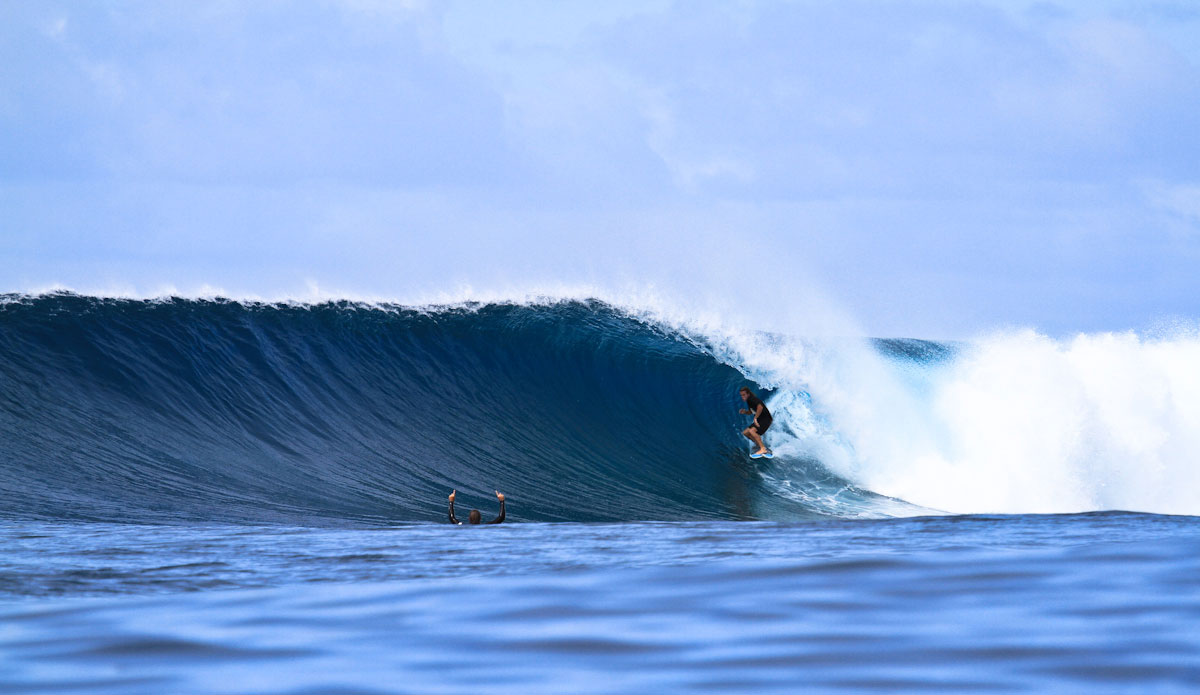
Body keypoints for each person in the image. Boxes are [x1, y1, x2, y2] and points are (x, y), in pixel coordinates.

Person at [738, 386, 772, 457]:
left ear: (748, 394)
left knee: (752, 431)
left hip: (766, 419)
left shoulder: (752, 399)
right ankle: (758, 444)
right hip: (761, 420)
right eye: (741, 395)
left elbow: (760, 407)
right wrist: (745, 412)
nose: (742, 396)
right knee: (745, 433)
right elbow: (751, 411)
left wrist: (755, 418)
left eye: (744, 395)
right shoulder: (749, 401)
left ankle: (763, 449)